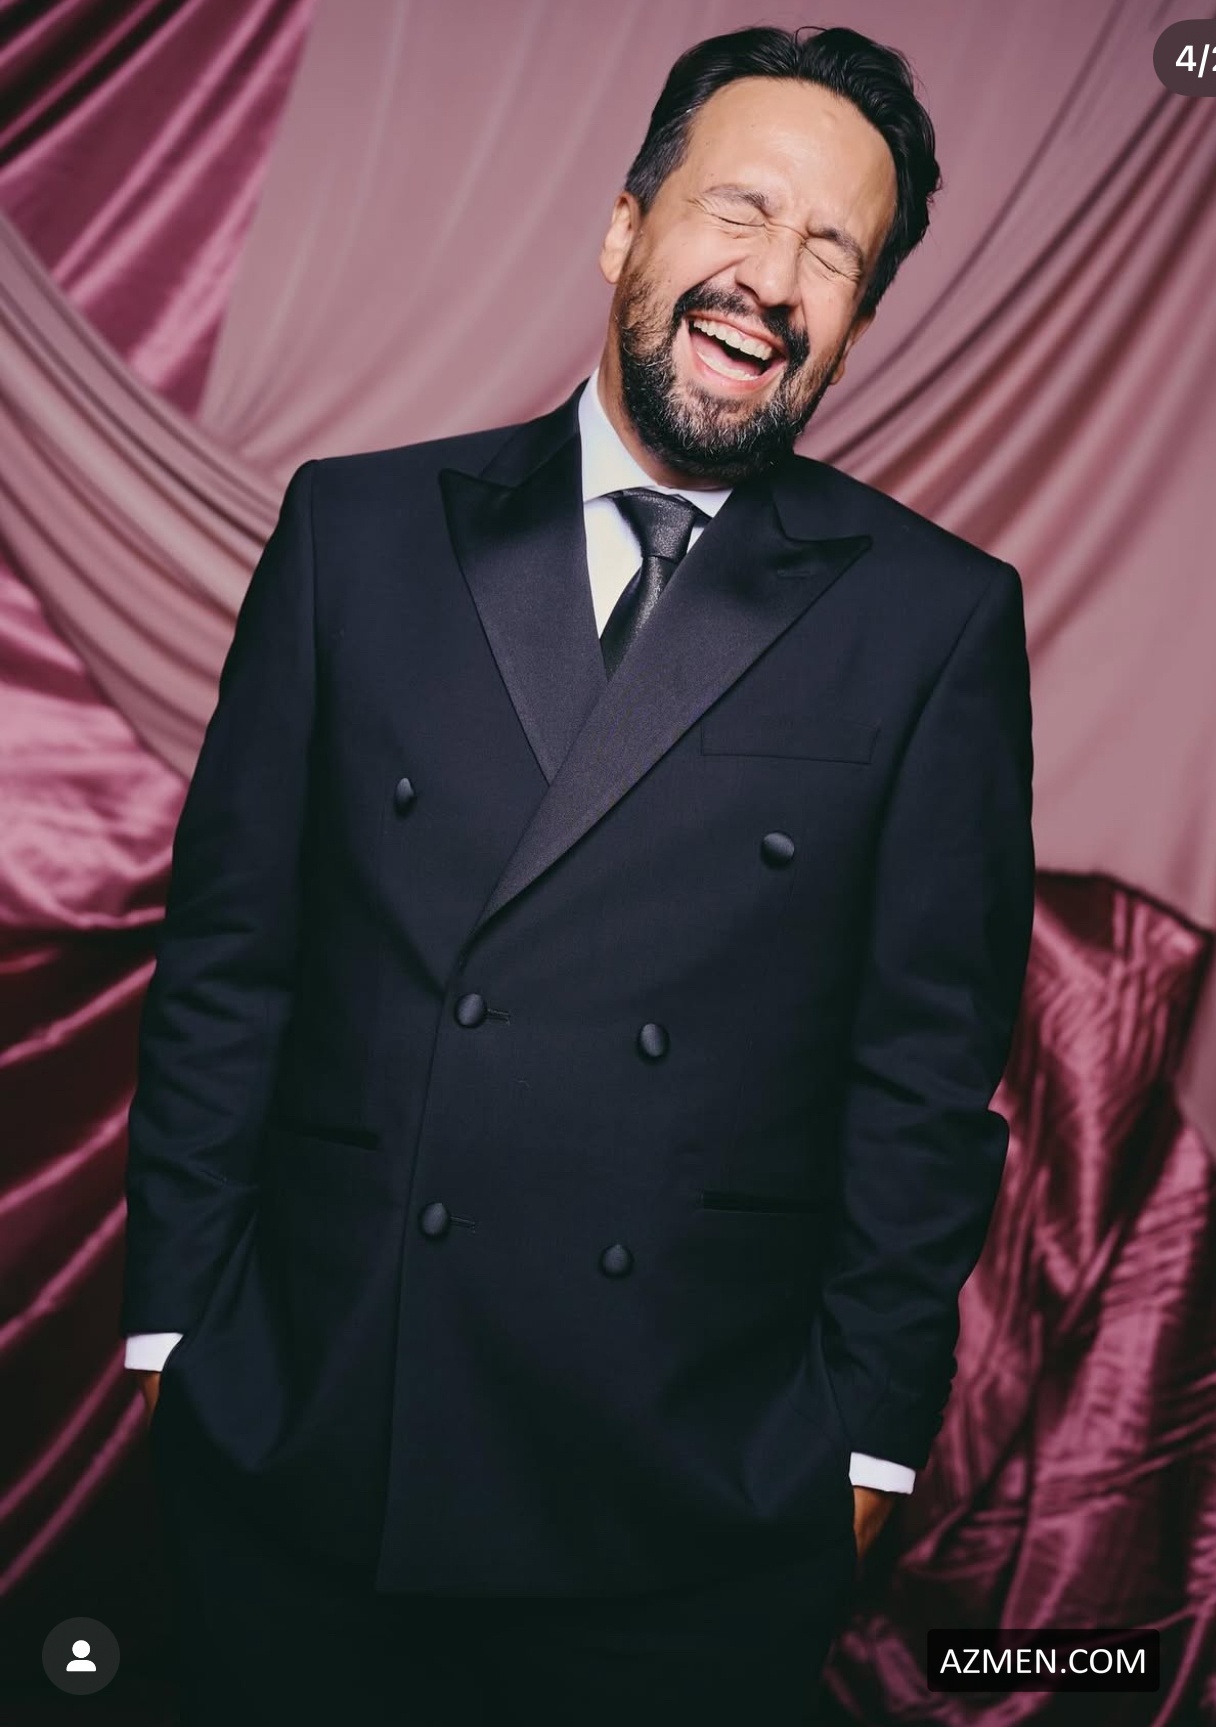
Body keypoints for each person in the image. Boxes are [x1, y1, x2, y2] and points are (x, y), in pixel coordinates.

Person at [121, 23, 1034, 1726]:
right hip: (318, 1452)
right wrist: (178, 1339)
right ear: (625, 227)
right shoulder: (355, 534)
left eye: (833, 252)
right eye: (738, 209)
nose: (773, 280)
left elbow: (923, 1083)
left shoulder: (934, 621)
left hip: (687, 1513)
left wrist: (860, 1453)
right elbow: (230, 962)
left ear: (858, 321)